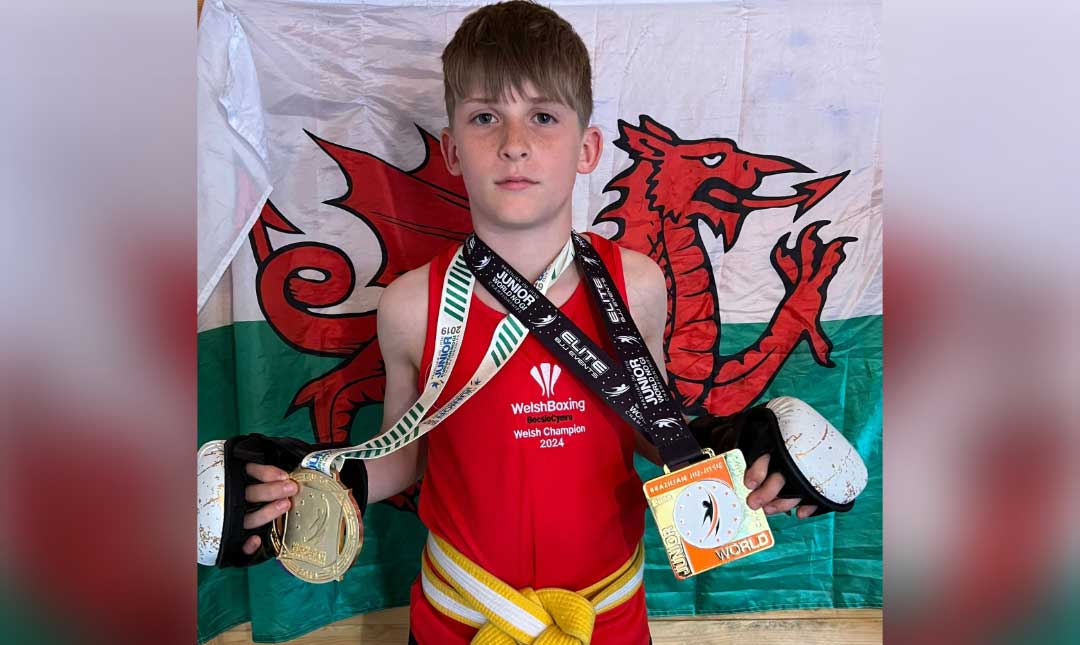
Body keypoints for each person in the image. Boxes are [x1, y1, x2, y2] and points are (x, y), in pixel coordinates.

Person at [237, 2, 815, 643]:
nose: (514, 143)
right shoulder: (412, 305)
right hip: (462, 615)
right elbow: (402, 461)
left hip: (607, 617)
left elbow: (650, 433)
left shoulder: (638, 286)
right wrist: (304, 482)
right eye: (487, 117)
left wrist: (738, 452)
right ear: (453, 151)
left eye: (543, 116)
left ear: (588, 147)